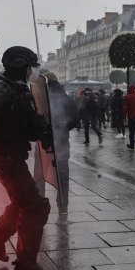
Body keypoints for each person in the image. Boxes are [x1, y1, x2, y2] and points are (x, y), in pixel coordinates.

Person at [0, 46, 52, 270]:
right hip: (4, 155)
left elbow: (27, 126)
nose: (32, 71)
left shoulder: (19, 88)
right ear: (20, 66)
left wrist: (42, 128)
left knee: (22, 202)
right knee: (35, 206)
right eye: (29, 66)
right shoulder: (0, 87)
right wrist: (10, 94)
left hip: (12, 153)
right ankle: (26, 264)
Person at [33, 72, 79, 214]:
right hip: (62, 141)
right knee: (62, 175)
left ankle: (40, 204)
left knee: (40, 174)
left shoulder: (39, 98)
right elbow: (75, 120)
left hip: (43, 141)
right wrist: (62, 128)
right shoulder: (67, 99)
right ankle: (63, 206)